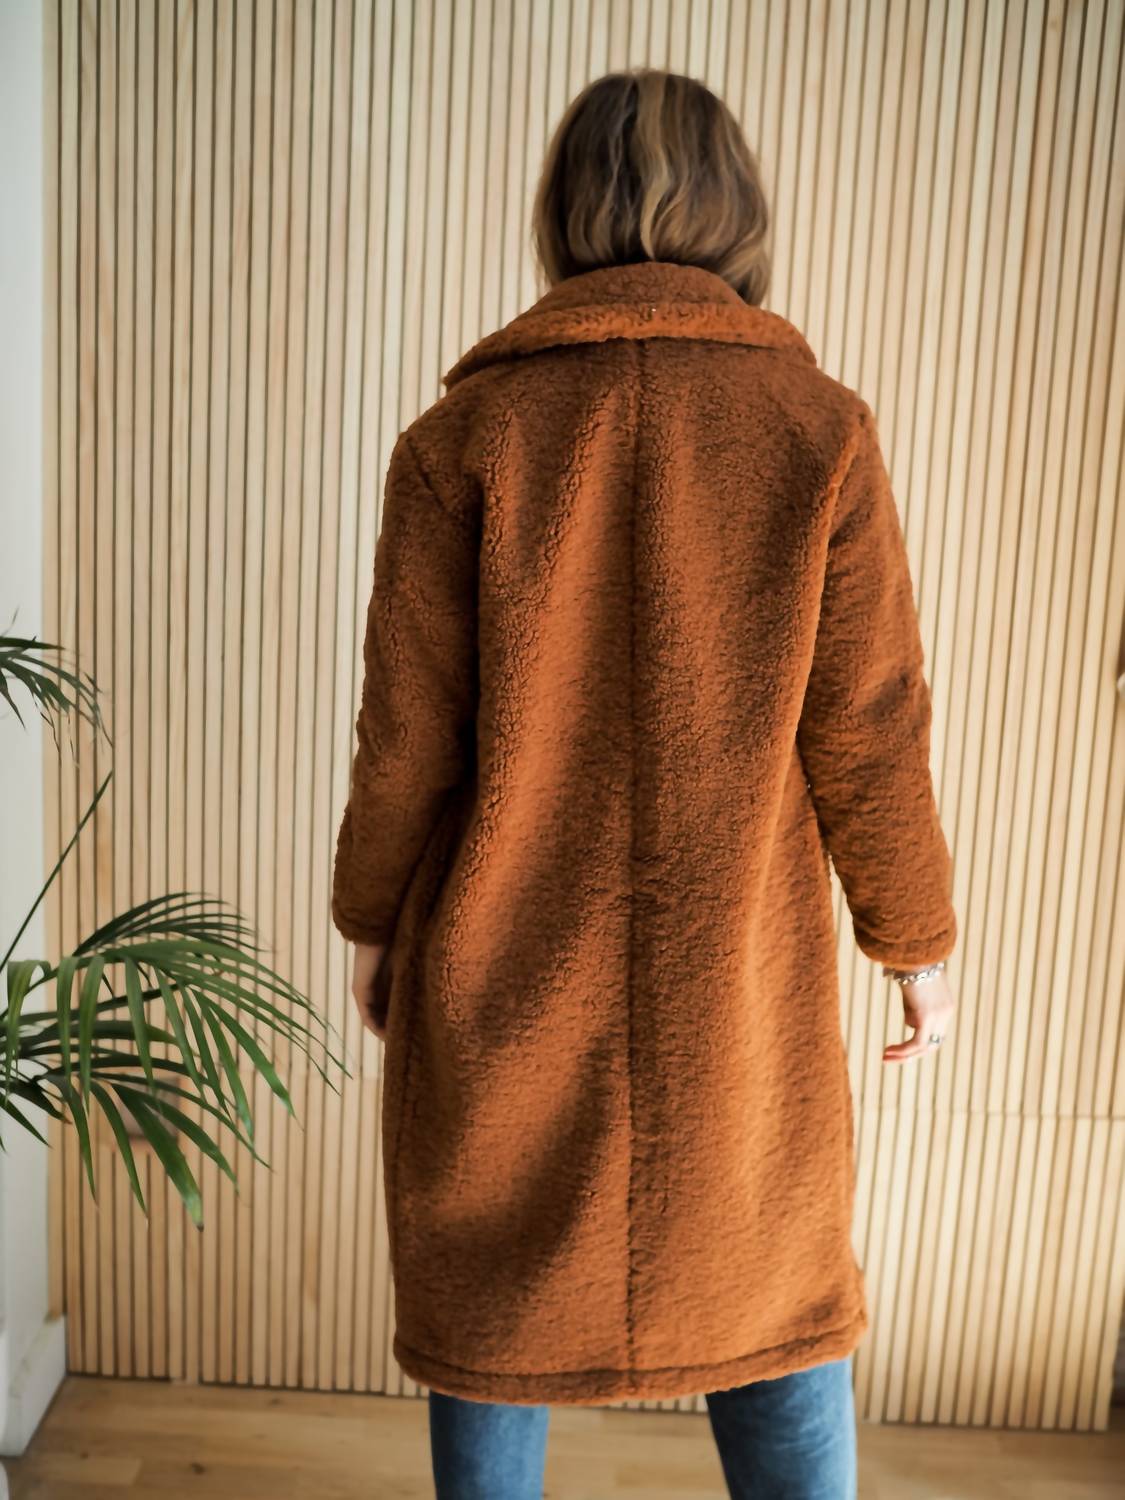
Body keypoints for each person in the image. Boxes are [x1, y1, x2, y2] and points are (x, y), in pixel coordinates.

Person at [332, 66, 957, 1500]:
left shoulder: (460, 442)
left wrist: (372, 922)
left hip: (503, 966)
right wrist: (913, 947)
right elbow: (870, 732)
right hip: (732, 987)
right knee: (775, 1297)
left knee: (495, 1315)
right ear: (740, 215)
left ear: (561, 216)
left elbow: (403, 740)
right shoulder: (818, 431)